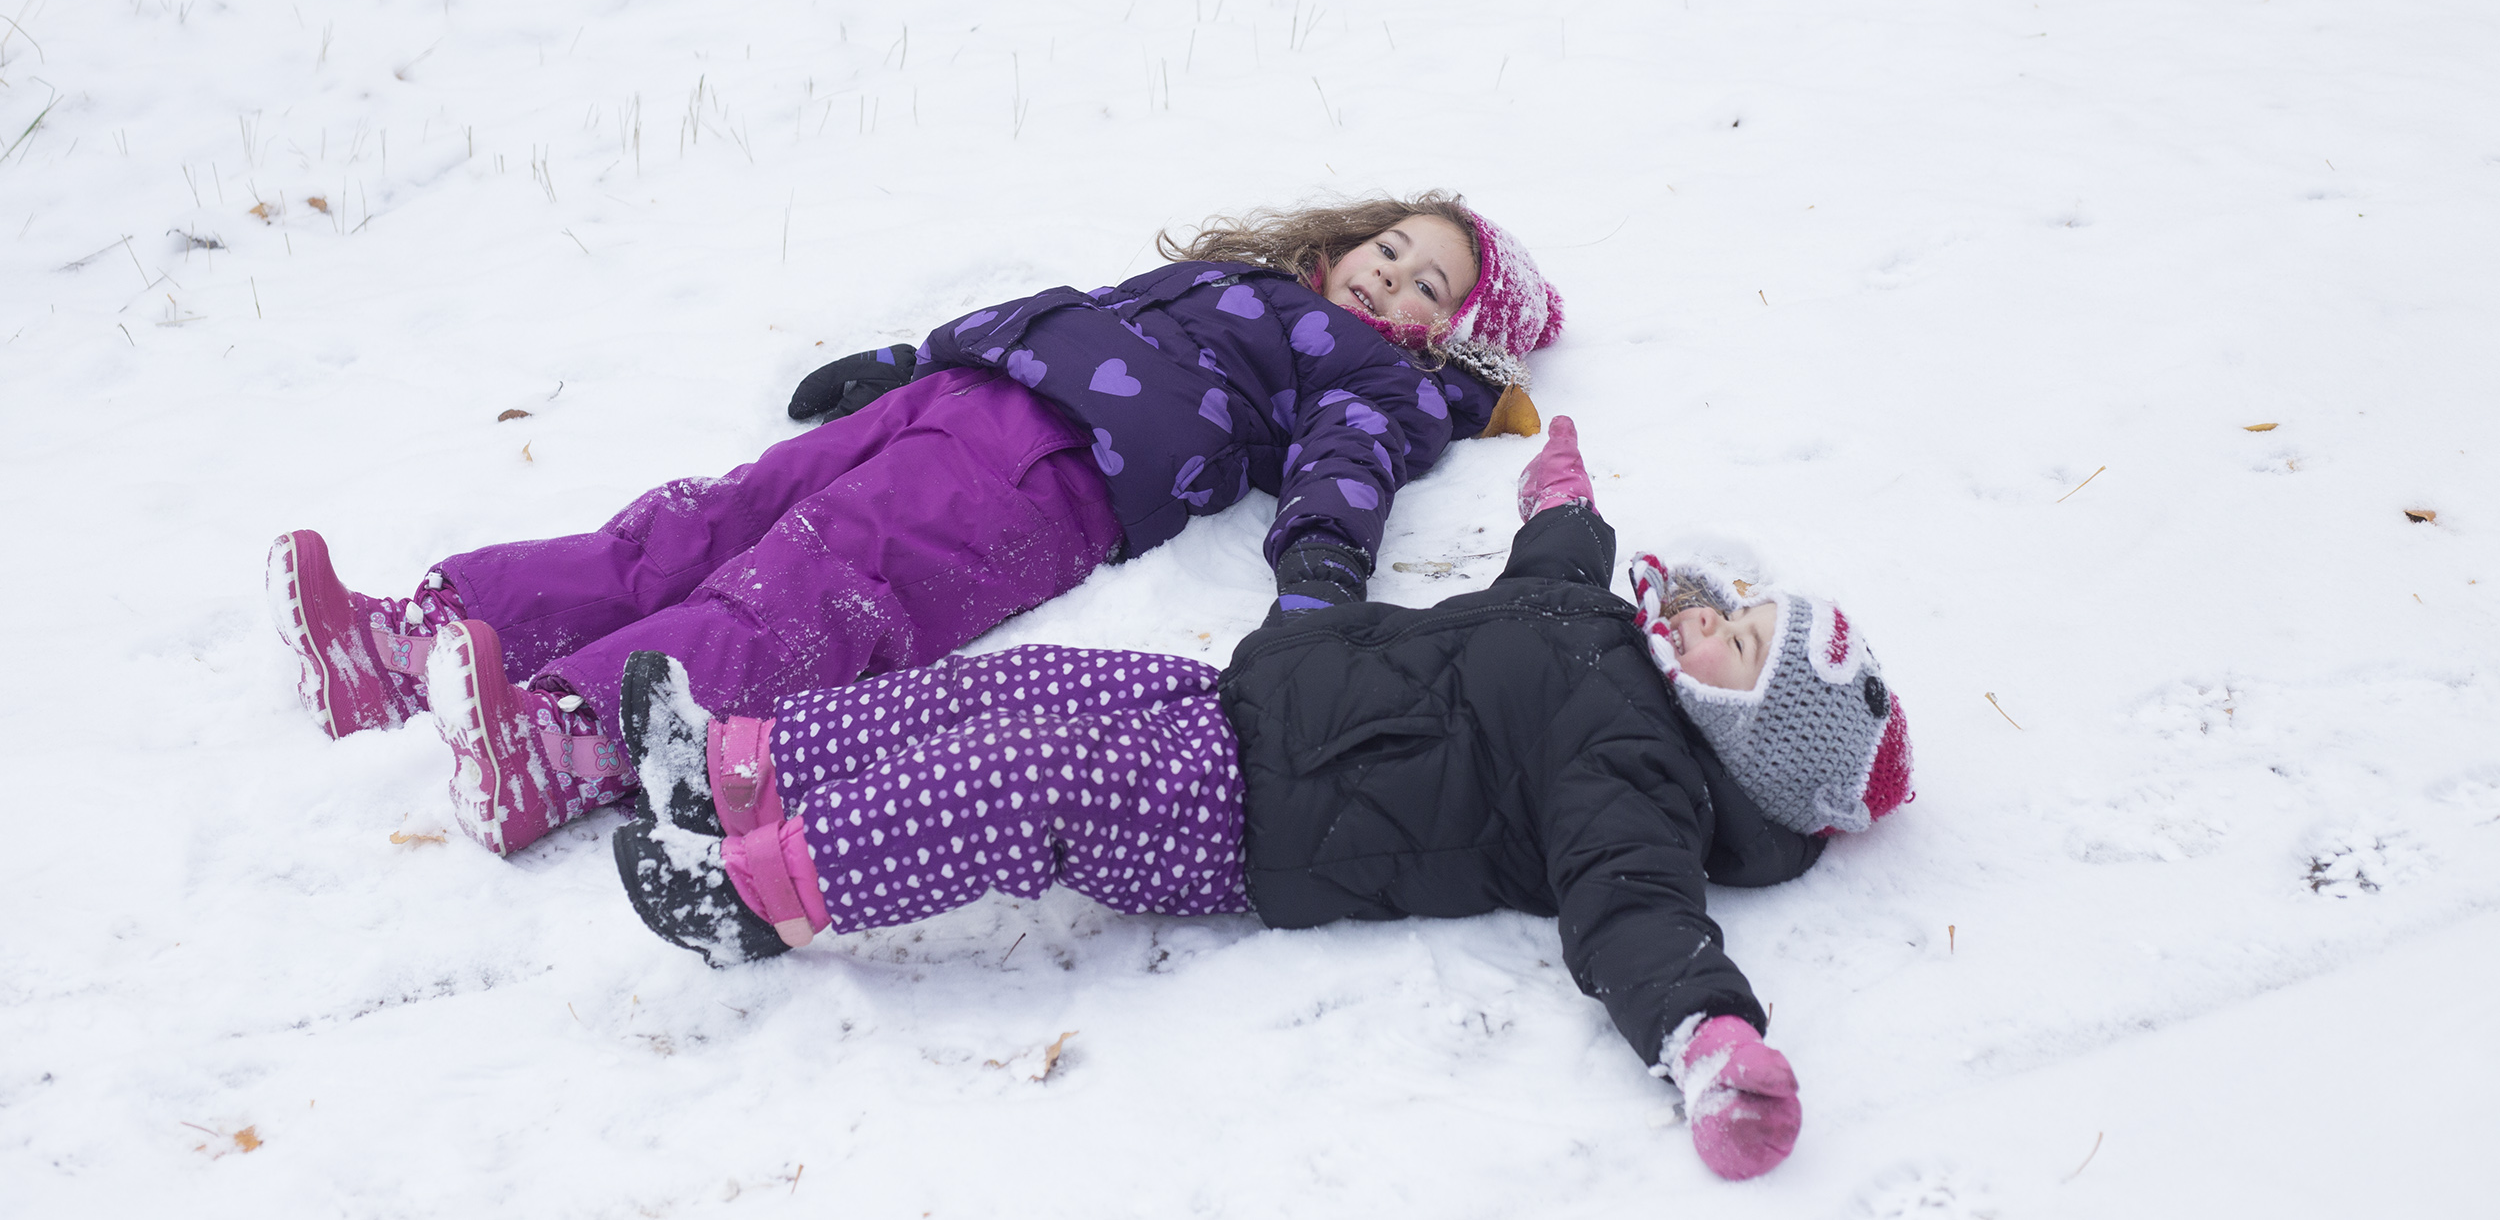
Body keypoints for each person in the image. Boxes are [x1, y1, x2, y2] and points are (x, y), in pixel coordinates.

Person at [610, 418, 1913, 1182]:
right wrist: (1562, 495)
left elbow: (1635, 915)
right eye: (1741, 614)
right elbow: (1556, 565)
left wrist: (1708, 1040)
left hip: (1259, 819)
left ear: (1744, 746)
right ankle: (741, 764)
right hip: (1246, 700)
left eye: (1737, 649)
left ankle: (759, 895)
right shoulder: (1606, 628)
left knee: (1023, 782)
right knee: (1007, 697)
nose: (1714, 622)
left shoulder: (1638, 782)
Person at [268, 192, 1563, 854]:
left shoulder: (1378, 377)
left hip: (1055, 475)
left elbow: (1347, 469)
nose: (1391, 271)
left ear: (1461, 333)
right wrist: (903, 361)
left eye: (1429, 280)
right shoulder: (1239, 281)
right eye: (1392, 245)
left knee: (811, 589)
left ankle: (560, 741)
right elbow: (1063, 307)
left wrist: (1322, 582)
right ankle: (410, 640)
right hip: (969, 394)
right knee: (705, 520)